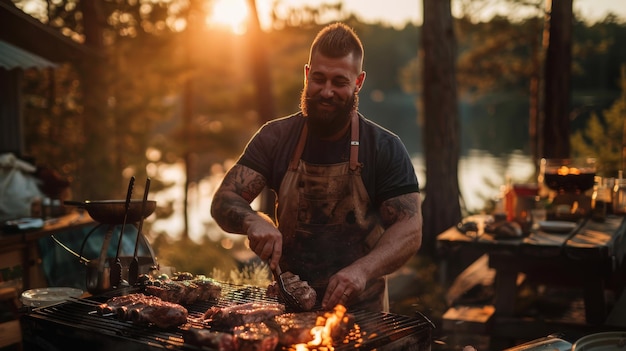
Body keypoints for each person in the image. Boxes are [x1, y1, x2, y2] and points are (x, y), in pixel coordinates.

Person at [210, 22, 422, 312]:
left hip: (363, 316)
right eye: (319, 79)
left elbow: (410, 227)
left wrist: (362, 270)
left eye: (339, 82)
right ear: (307, 73)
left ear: (358, 82)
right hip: (288, 308)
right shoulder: (275, 137)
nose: (326, 91)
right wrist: (253, 220)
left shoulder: (384, 147)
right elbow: (224, 199)